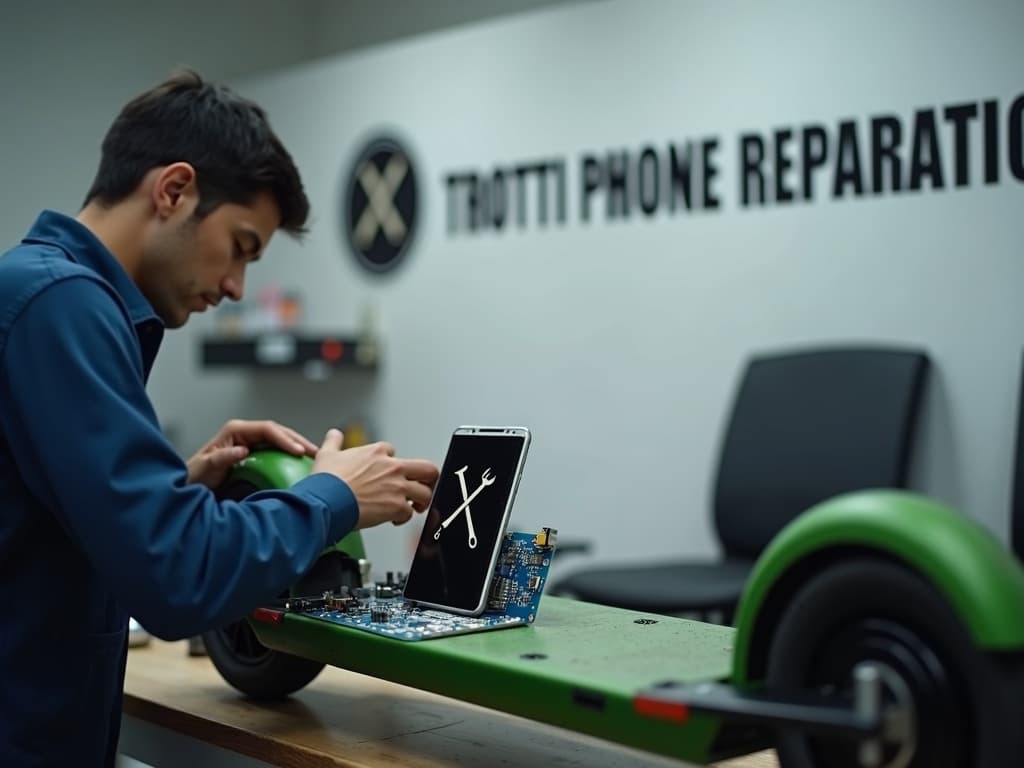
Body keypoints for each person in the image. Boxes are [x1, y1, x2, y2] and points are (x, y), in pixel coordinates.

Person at [0, 70, 440, 767]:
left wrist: (179, 487)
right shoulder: (60, 307)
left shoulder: (43, 295)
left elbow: (45, 529)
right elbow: (177, 580)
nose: (237, 287)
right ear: (173, 191)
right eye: (240, 246)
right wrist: (334, 498)